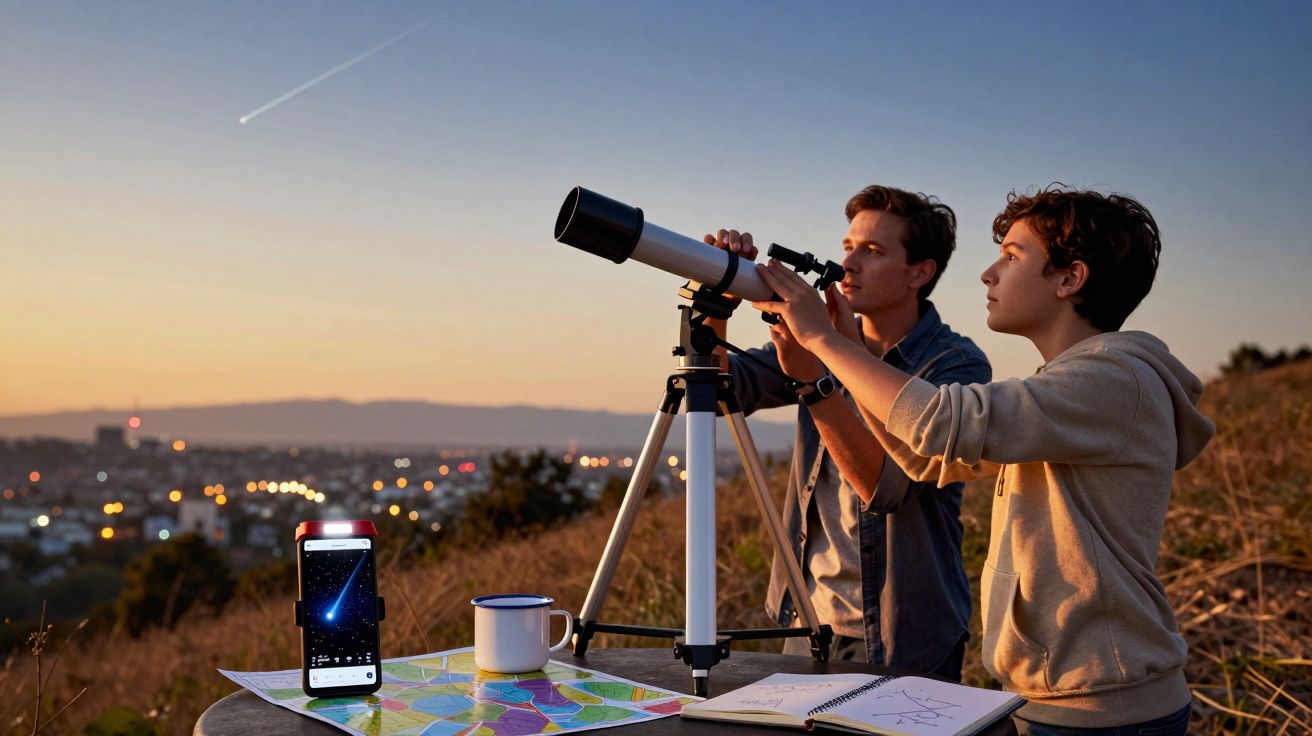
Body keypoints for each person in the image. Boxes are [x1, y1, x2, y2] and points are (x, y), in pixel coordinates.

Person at [751, 186, 1213, 735]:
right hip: (1059, 696)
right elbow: (924, 456)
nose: (988, 274)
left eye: (1012, 257)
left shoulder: (1112, 378)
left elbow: (938, 421)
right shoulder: (1073, 382)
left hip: (1103, 708)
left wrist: (824, 341)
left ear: (1070, 278)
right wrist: (843, 346)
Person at [705, 185, 990, 681]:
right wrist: (715, 298)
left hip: (908, 635)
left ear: (920, 273)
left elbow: (886, 489)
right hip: (809, 621)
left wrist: (815, 377)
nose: (849, 264)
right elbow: (711, 392)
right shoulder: (826, 337)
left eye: (873, 251)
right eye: (848, 247)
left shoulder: (955, 366)